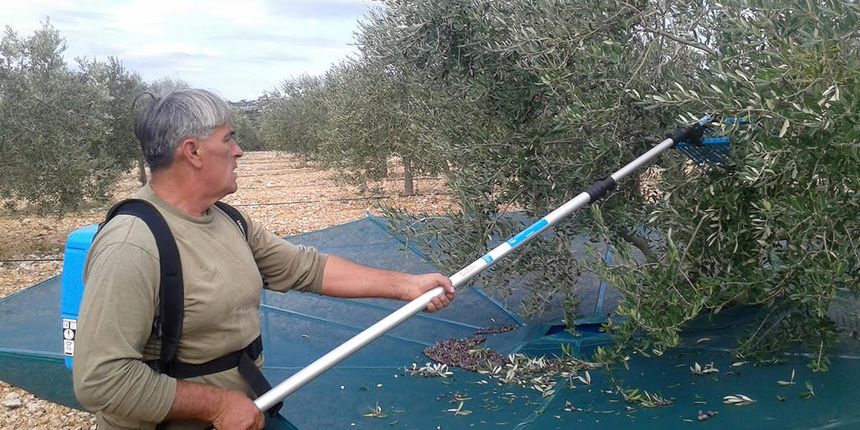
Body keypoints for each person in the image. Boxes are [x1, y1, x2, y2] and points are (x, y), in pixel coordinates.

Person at [72, 88, 455, 430]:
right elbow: (102, 379)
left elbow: (307, 267)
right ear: (192, 151)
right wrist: (217, 407)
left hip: (249, 411)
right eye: (228, 138)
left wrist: (406, 285)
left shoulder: (228, 220)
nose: (239, 150)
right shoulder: (132, 244)